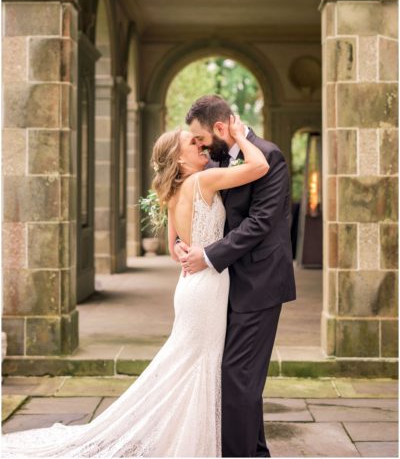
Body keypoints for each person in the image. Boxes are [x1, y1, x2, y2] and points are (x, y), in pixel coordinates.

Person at [1, 114, 269, 458]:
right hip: (206, 287)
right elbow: (259, 165)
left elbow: (175, 248)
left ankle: (189, 437)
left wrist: (184, 247)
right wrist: (240, 135)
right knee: (199, 363)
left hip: (192, 285)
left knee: (188, 362)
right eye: (193, 142)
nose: (201, 145)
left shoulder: (174, 191)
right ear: (179, 159)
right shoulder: (202, 182)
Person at [175, 94, 297, 458]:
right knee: (238, 379)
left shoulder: (269, 155)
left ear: (220, 127)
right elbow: (198, 208)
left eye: (201, 137)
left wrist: (209, 255)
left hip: (259, 283)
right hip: (222, 287)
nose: (198, 145)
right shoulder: (216, 159)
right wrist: (182, 243)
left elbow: (261, 222)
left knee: (236, 377)